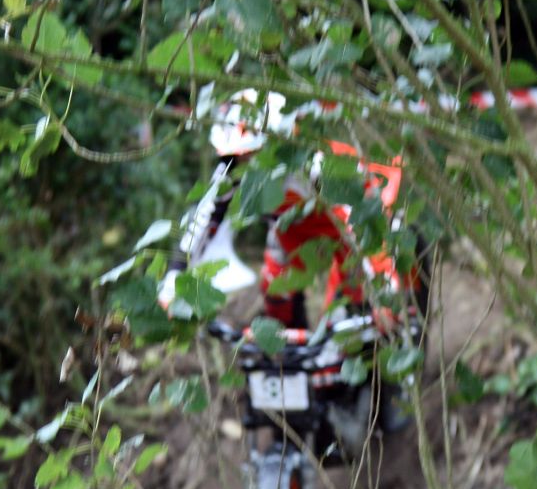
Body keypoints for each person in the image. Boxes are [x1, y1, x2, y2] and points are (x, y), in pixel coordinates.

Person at [160, 88, 415, 432]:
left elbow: (364, 229)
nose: (245, 166)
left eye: (253, 155)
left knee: (357, 308)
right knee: (275, 293)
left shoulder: (318, 166)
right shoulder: (231, 167)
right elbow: (201, 220)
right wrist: (173, 282)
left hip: (355, 223)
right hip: (293, 228)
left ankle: (392, 386)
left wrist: (384, 294)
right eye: (237, 158)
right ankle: (293, 383)